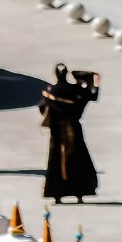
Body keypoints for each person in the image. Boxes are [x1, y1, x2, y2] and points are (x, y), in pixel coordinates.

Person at [39, 64, 100, 201]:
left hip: (57, 132)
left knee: (56, 160)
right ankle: (80, 193)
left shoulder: (51, 90)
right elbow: (92, 96)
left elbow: (42, 107)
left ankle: (57, 194)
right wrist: (95, 83)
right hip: (74, 128)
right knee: (78, 159)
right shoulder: (75, 89)